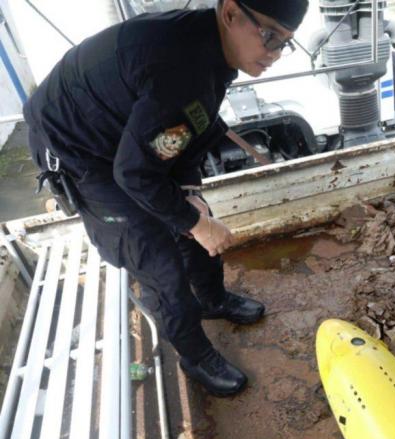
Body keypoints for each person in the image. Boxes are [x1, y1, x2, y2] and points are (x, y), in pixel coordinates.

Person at [23, 0, 309, 397]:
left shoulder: (215, 51)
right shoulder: (179, 66)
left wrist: (191, 197)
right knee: (156, 255)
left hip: (131, 130)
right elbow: (134, 173)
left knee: (193, 215)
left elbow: (190, 128)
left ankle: (211, 299)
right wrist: (197, 224)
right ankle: (195, 355)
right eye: (270, 37)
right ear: (230, 13)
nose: (275, 55)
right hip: (80, 150)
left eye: (286, 44)